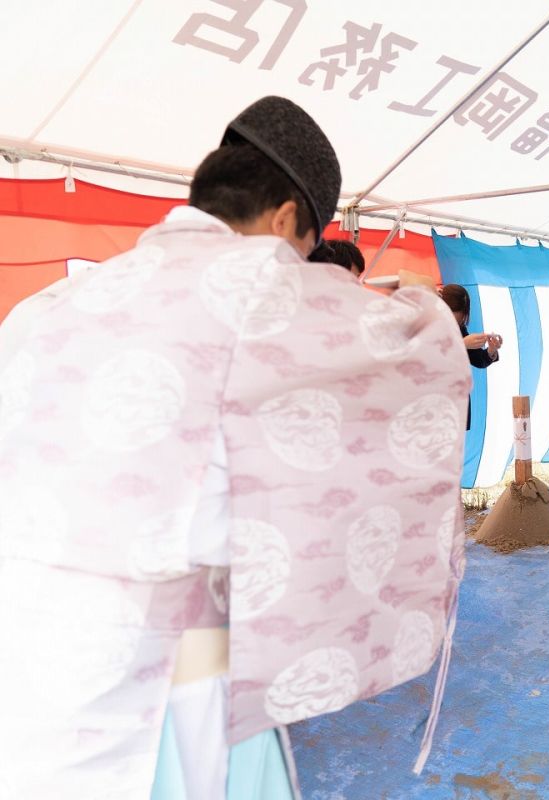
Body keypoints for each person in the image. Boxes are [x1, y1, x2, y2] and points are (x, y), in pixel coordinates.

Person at [0, 96, 471, 798]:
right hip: (168, 673)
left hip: (29, 650)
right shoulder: (253, 283)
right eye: (309, 247)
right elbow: (409, 346)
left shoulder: (49, 307)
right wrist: (423, 300)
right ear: (286, 220)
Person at [439, 283, 502, 429]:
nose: (457, 324)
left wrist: (490, 351)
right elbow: (426, 356)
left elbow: (477, 359)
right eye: (452, 317)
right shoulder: (425, 324)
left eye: (460, 320)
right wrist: (461, 343)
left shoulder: (460, 328)